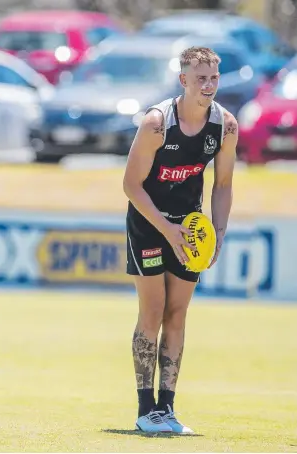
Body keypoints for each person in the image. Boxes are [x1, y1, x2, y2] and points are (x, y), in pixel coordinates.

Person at [122, 46, 237, 433]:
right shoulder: (157, 123)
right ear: (183, 80)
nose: (208, 85)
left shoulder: (225, 126)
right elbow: (131, 186)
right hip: (149, 225)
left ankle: (167, 410)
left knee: (178, 313)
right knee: (153, 310)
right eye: (200, 78)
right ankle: (145, 409)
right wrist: (165, 230)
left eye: (214, 78)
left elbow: (222, 185)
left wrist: (217, 232)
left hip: (189, 229)